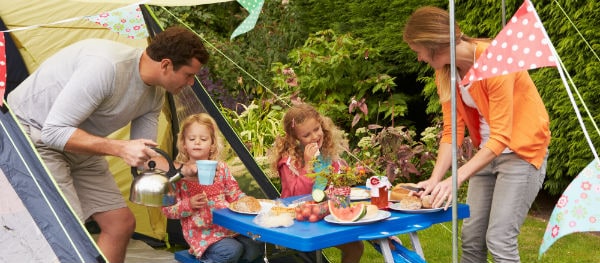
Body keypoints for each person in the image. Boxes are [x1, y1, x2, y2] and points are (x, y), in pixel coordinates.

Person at [6, 26, 209, 263]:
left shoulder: (155, 94)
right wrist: (120, 147)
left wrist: (182, 170)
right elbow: (53, 132)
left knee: (120, 224)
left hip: (80, 144)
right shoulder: (107, 67)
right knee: (68, 229)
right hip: (32, 135)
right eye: (188, 74)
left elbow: (148, 159)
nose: (192, 83)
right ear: (165, 65)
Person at [403, 6, 551, 263]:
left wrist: (456, 179)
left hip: (520, 154)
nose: (419, 59)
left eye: (419, 52)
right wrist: (435, 178)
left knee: (499, 240)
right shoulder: (446, 72)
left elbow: (502, 136)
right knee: (471, 238)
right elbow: (452, 130)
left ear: (435, 45)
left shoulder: (496, 60)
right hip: (486, 154)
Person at [160, 113, 263, 263]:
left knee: (256, 244)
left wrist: (247, 202)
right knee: (232, 250)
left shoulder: (221, 168)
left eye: (203, 139)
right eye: (191, 139)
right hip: (202, 234)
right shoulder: (177, 174)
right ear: (183, 143)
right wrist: (190, 204)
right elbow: (167, 210)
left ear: (212, 143)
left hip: (228, 228)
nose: (197, 143)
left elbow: (234, 193)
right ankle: (208, 258)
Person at [269, 103, 364, 263]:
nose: (314, 136)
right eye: (306, 135)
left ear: (322, 126)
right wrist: (307, 165)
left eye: (317, 129)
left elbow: (337, 187)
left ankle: (384, 239)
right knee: (354, 245)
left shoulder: (327, 155)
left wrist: (345, 178)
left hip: (325, 214)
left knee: (356, 246)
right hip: (298, 218)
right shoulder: (289, 162)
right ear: (295, 139)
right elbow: (295, 196)